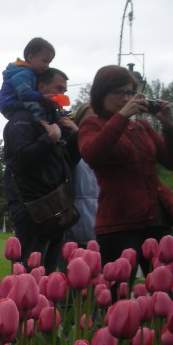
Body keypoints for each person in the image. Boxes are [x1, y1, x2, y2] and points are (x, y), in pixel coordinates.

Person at [78, 65, 173, 274]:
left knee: (165, 292)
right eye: (119, 93)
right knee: (117, 293)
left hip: (157, 218)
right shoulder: (92, 126)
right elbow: (93, 154)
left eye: (130, 92)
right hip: (119, 223)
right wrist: (122, 116)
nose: (126, 98)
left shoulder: (142, 128)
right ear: (102, 94)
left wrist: (169, 126)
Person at [3, 67, 80, 273]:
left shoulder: (52, 120)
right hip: (33, 210)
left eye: (64, 90)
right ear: (41, 86)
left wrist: (75, 137)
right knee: (29, 275)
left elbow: (67, 163)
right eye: (58, 88)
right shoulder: (23, 119)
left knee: (47, 273)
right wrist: (49, 139)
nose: (62, 95)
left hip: (57, 208)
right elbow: (22, 159)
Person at [0, 37, 56, 124]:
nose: (47, 66)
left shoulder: (32, 74)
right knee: (36, 107)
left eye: (49, 62)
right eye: (45, 61)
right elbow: (24, 94)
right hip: (9, 102)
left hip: (16, 101)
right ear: (31, 57)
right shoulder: (24, 73)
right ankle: (44, 125)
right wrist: (43, 96)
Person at [64, 103, 99, 247]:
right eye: (88, 120)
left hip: (102, 224)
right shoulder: (69, 147)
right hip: (73, 224)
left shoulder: (110, 149)